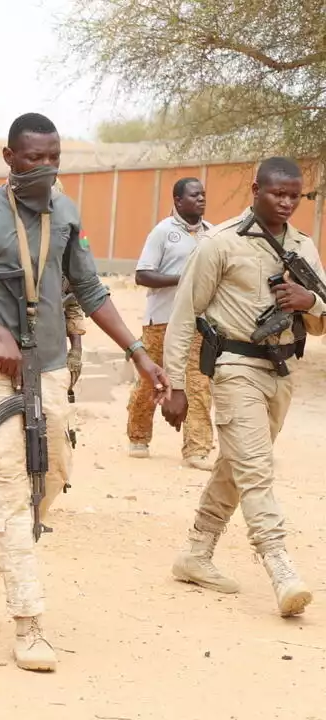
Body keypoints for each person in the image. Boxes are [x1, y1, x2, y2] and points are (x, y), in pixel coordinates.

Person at [0, 112, 168, 673]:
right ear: (10, 158)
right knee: (14, 491)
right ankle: (29, 623)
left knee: (51, 478)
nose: (45, 166)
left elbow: (88, 286)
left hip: (53, 370)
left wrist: (138, 353)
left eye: (53, 156)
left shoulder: (66, 212)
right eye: (33, 157)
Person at [162, 157, 322, 618]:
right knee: (256, 469)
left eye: (295, 195)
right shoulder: (221, 243)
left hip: (281, 372)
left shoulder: (303, 247)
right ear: (256, 189)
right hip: (235, 368)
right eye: (278, 193)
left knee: (236, 465)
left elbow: (321, 317)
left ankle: (196, 552)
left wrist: (308, 301)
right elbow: (182, 316)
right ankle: (280, 567)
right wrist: (174, 386)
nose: (287, 202)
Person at [129, 178, 214, 469]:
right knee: (150, 380)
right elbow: (142, 275)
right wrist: (184, 280)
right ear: (178, 201)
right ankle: (138, 435)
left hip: (198, 324)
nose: (201, 199)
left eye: (203, 194)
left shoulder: (213, 235)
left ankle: (197, 449)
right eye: (194, 195)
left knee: (199, 383)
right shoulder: (162, 233)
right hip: (160, 321)